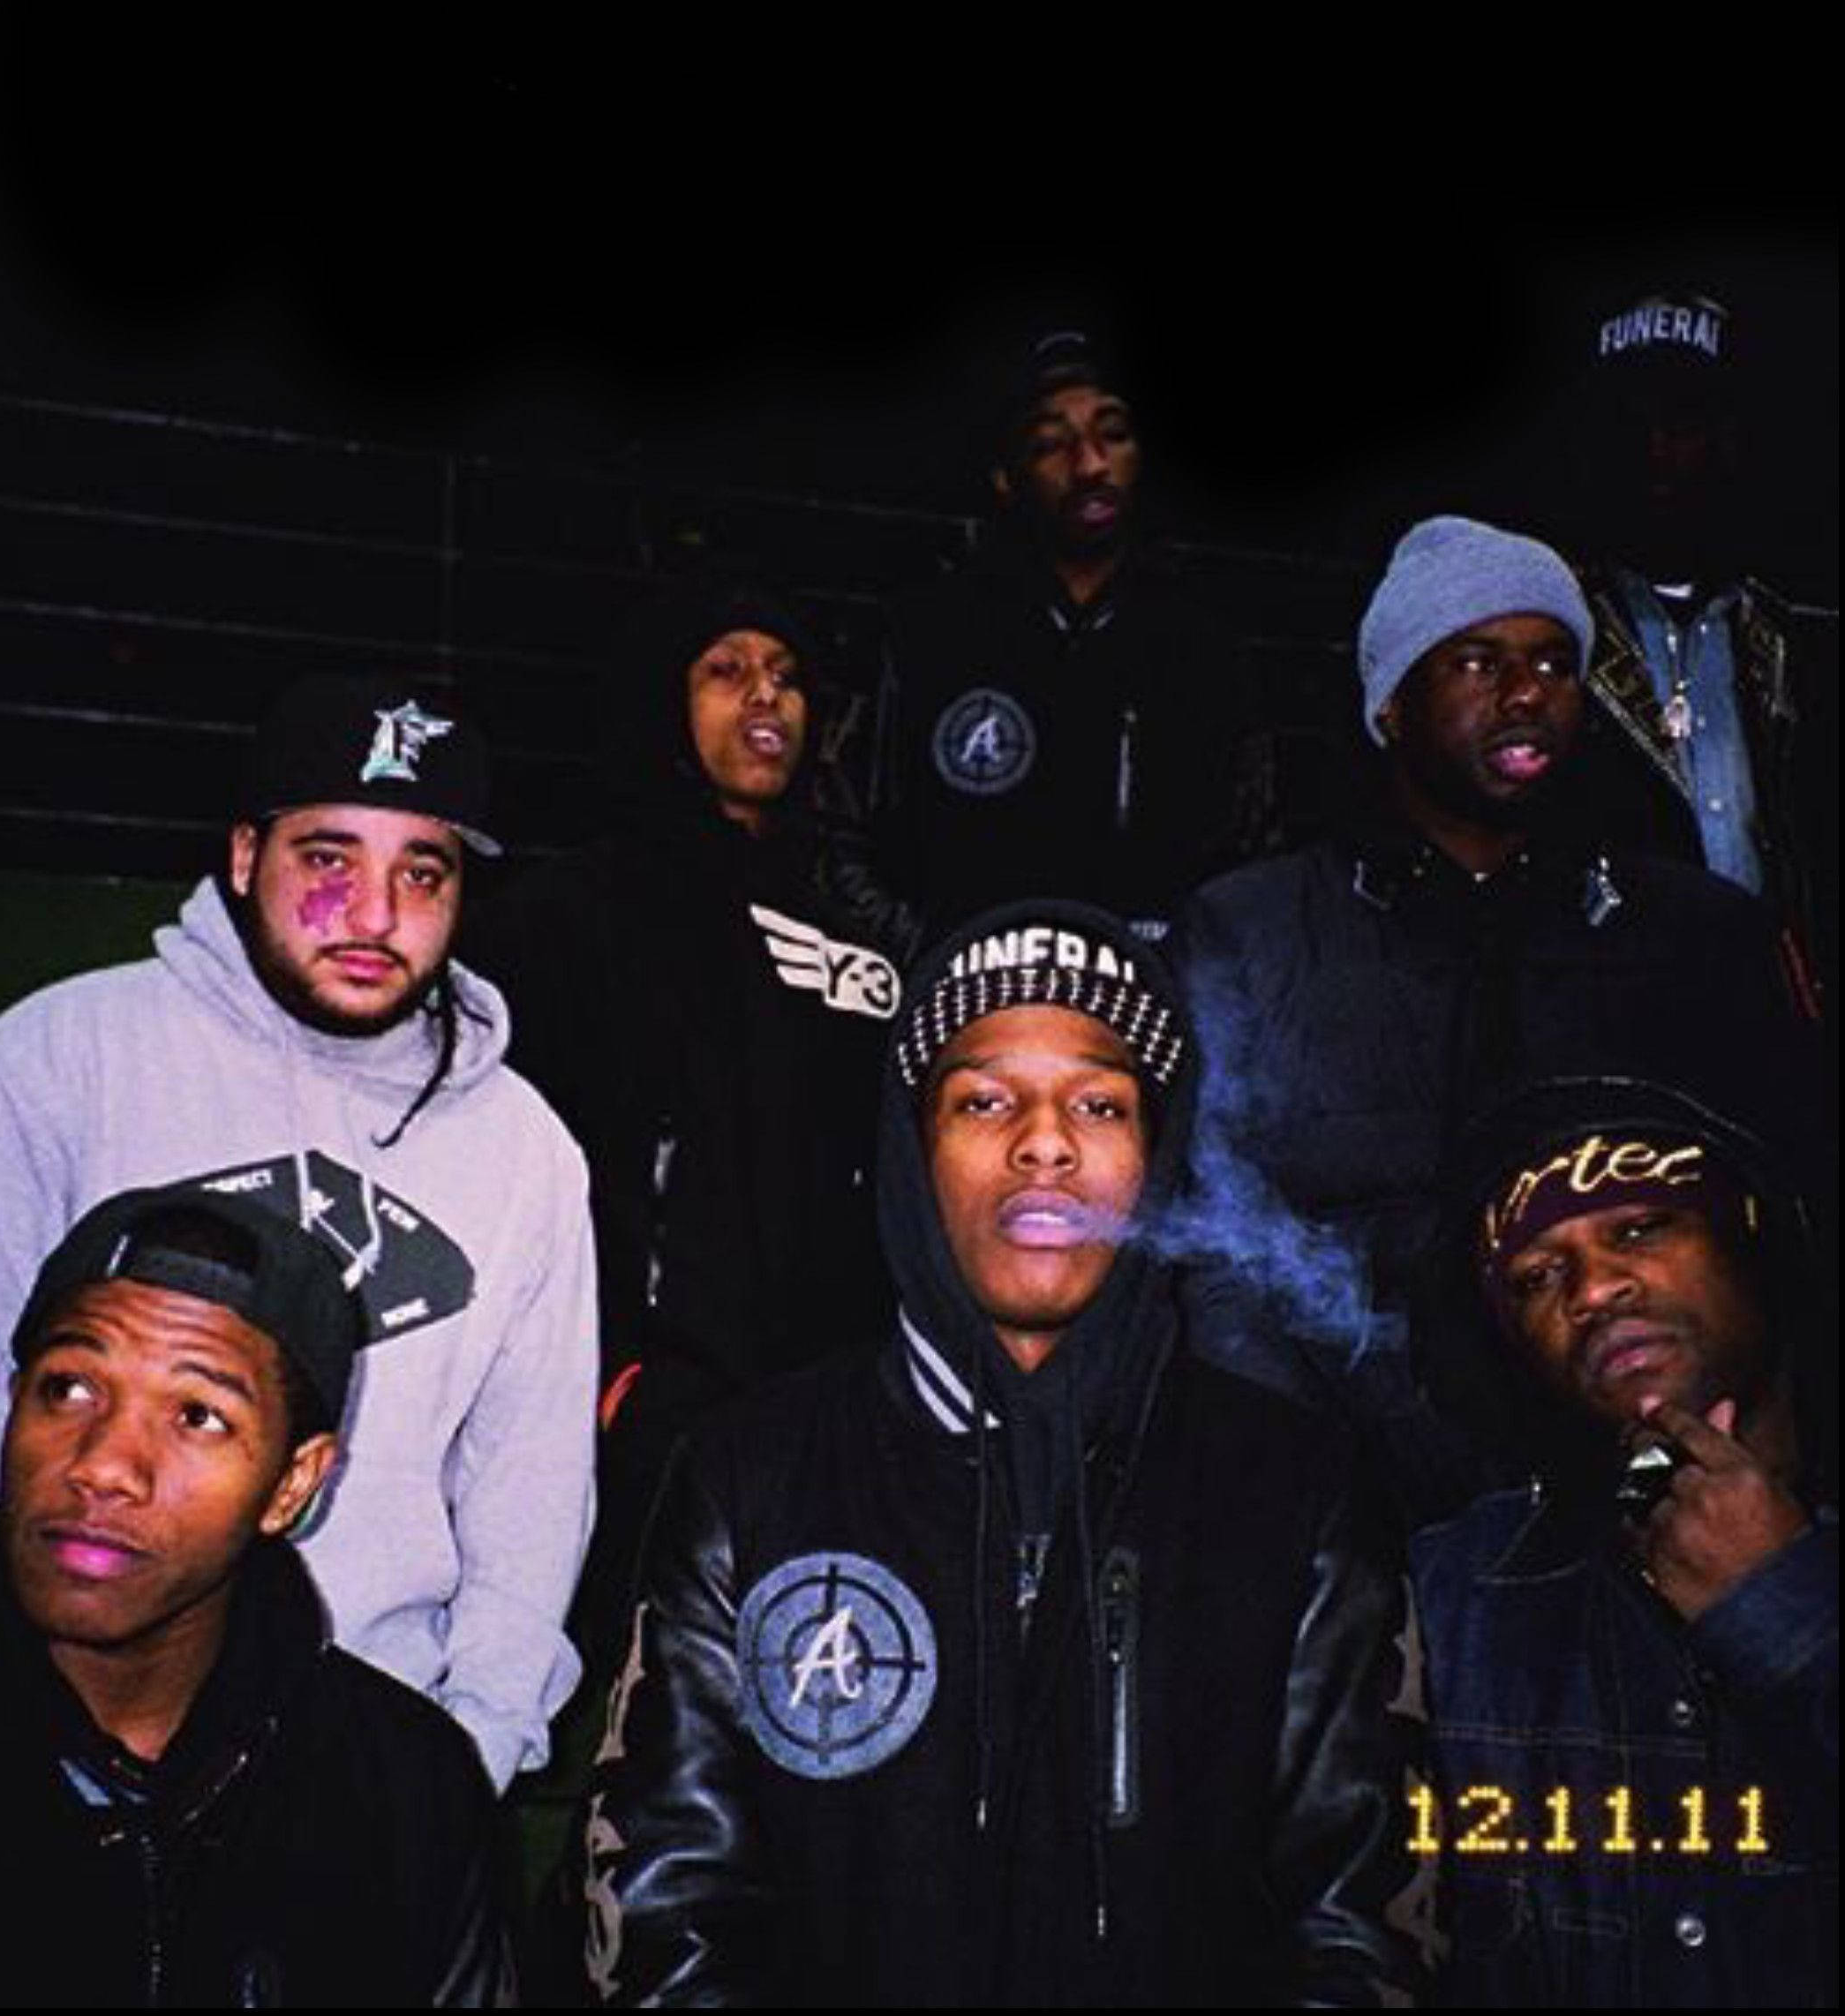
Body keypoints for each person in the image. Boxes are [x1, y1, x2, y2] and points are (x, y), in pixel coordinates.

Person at [577, 906, 1430, 2008]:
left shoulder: (1296, 1490)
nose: (1045, 1142)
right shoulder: (750, 1475)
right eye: (983, 1100)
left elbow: (1363, 1929)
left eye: (1100, 1103)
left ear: (1158, 1153)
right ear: (911, 1149)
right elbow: (665, 1911)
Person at [0, 672, 597, 1791]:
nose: (374, 915)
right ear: (243, 856)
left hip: (370, 1755)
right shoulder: (61, 1057)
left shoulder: (528, 1150)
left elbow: (532, 1484)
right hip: (66, 1738)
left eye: (423, 872)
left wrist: (470, 1752)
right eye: (329, 859)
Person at [1174, 517, 1819, 1528]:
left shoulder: (1692, 931)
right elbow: (1215, 1259)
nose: (1526, 693)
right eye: (1478, 661)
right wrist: (1305, 1506)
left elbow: (1780, 1225)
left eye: (1555, 663)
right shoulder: (1255, 932)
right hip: (1344, 1501)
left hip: (1655, 1497)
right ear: (1391, 703)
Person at [473, 568, 901, 1653]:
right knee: (622, 1681)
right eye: (726, 670)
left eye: (787, 675)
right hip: (645, 1394)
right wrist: (612, 1366)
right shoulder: (568, 913)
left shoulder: (858, 923)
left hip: (831, 1385)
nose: (766, 696)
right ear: (663, 700)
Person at [0, 1182, 512, 2007]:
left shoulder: (402, 1789)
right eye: (70, 1388)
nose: (104, 1465)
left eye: (198, 1416)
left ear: (293, 1484)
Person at [1411, 1076, 1836, 2007]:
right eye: (1536, 1277)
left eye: (1641, 1227)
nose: (1595, 1289)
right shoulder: (1450, 1600)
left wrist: (1783, 1608)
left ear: (1752, 1241)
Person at [873, 327, 1276, 943]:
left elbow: (1251, 862)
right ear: (1005, 477)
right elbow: (851, 841)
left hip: (1149, 989)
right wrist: (938, 957)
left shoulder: (1203, 647)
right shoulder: (929, 632)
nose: (1090, 465)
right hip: (974, 990)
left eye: (1112, 434)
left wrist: (1181, 971)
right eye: (1051, 445)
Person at [1563, 285, 1828, 1009]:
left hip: (1770, 1012)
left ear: (1730, 441)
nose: (1655, 450)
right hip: (1609, 1013)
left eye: (1681, 423)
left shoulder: (1789, 640)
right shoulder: (1557, 631)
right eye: (1630, 424)